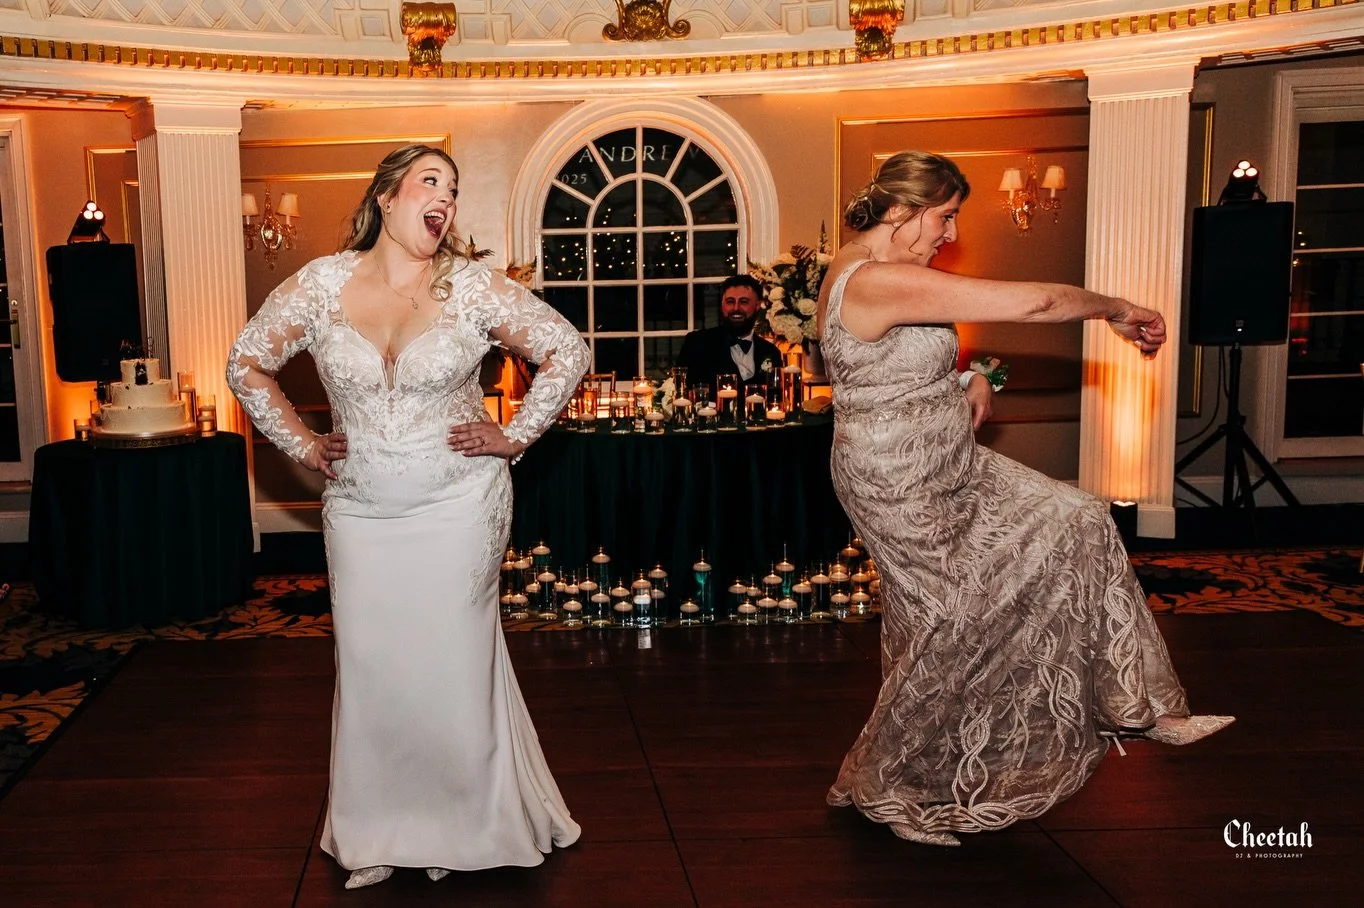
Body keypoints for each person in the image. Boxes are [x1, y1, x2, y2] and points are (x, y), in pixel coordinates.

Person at [820, 151, 1233, 847]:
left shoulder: (898, 276)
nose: (949, 234)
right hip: (895, 476)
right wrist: (1120, 309)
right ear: (905, 209)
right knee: (946, 621)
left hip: (948, 456)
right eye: (945, 216)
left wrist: (969, 381)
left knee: (1078, 515)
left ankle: (1143, 704)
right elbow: (1036, 302)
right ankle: (888, 783)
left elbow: (888, 367)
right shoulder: (873, 278)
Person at [226, 144, 589, 887]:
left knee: (452, 659)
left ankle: (466, 825)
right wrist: (302, 443)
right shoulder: (320, 284)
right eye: (431, 183)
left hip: (460, 500)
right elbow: (245, 363)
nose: (445, 200)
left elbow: (567, 349)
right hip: (359, 508)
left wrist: (514, 435)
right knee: (373, 664)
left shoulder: (471, 287)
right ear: (387, 197)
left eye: (453, 190)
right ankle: (377, 832)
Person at [676, 274, 782, 397]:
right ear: (722, 305)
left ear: (758, 306)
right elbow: (684, 393)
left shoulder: (771, 352)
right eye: (730, 301)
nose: (736, 308)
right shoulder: (697, 343)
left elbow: (776, 400)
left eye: (744, 302)